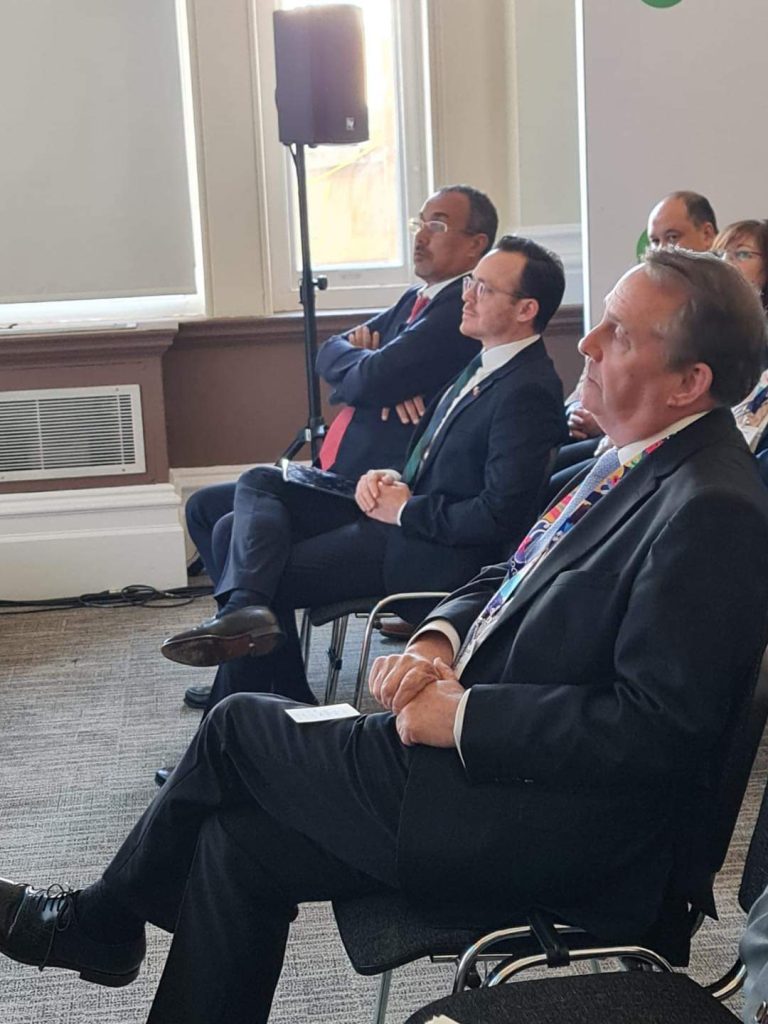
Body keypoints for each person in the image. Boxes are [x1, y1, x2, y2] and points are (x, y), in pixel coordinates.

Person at [2, 248, 768, 1024]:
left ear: (689, 382)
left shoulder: (713, 509)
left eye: (619, 334)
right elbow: (506, 574)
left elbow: (658, 730)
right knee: (238, 842)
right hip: (494, 777)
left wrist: (464, 715)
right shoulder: (627, 460)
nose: (589, 343)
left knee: (238, 726)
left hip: (558, 826)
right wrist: (437, 641)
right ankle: (104, 930)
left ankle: (101, 924)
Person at [160, 236, 568, 716]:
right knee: (258, 484)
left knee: (241, 546)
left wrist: (406, 509)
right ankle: (263, 666)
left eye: (484, 288)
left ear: (526, 310)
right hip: (399, 516)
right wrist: (388, 475)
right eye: (470, 283)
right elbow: (434, 459)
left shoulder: (527, 390)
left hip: (428, 551)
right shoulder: (482, 363)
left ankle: (251, 697)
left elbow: (501, 516)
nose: (467, 295)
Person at [551, 189, 718, 497]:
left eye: (672, 237)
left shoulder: (716, 308)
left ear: (707, 234)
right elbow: (586, 377)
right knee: (546, 478)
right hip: (608, 440)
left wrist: (611, 417)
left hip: (652, 445)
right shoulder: (639, 290)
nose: (662, 249)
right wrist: (578, 408)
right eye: (654, 241)